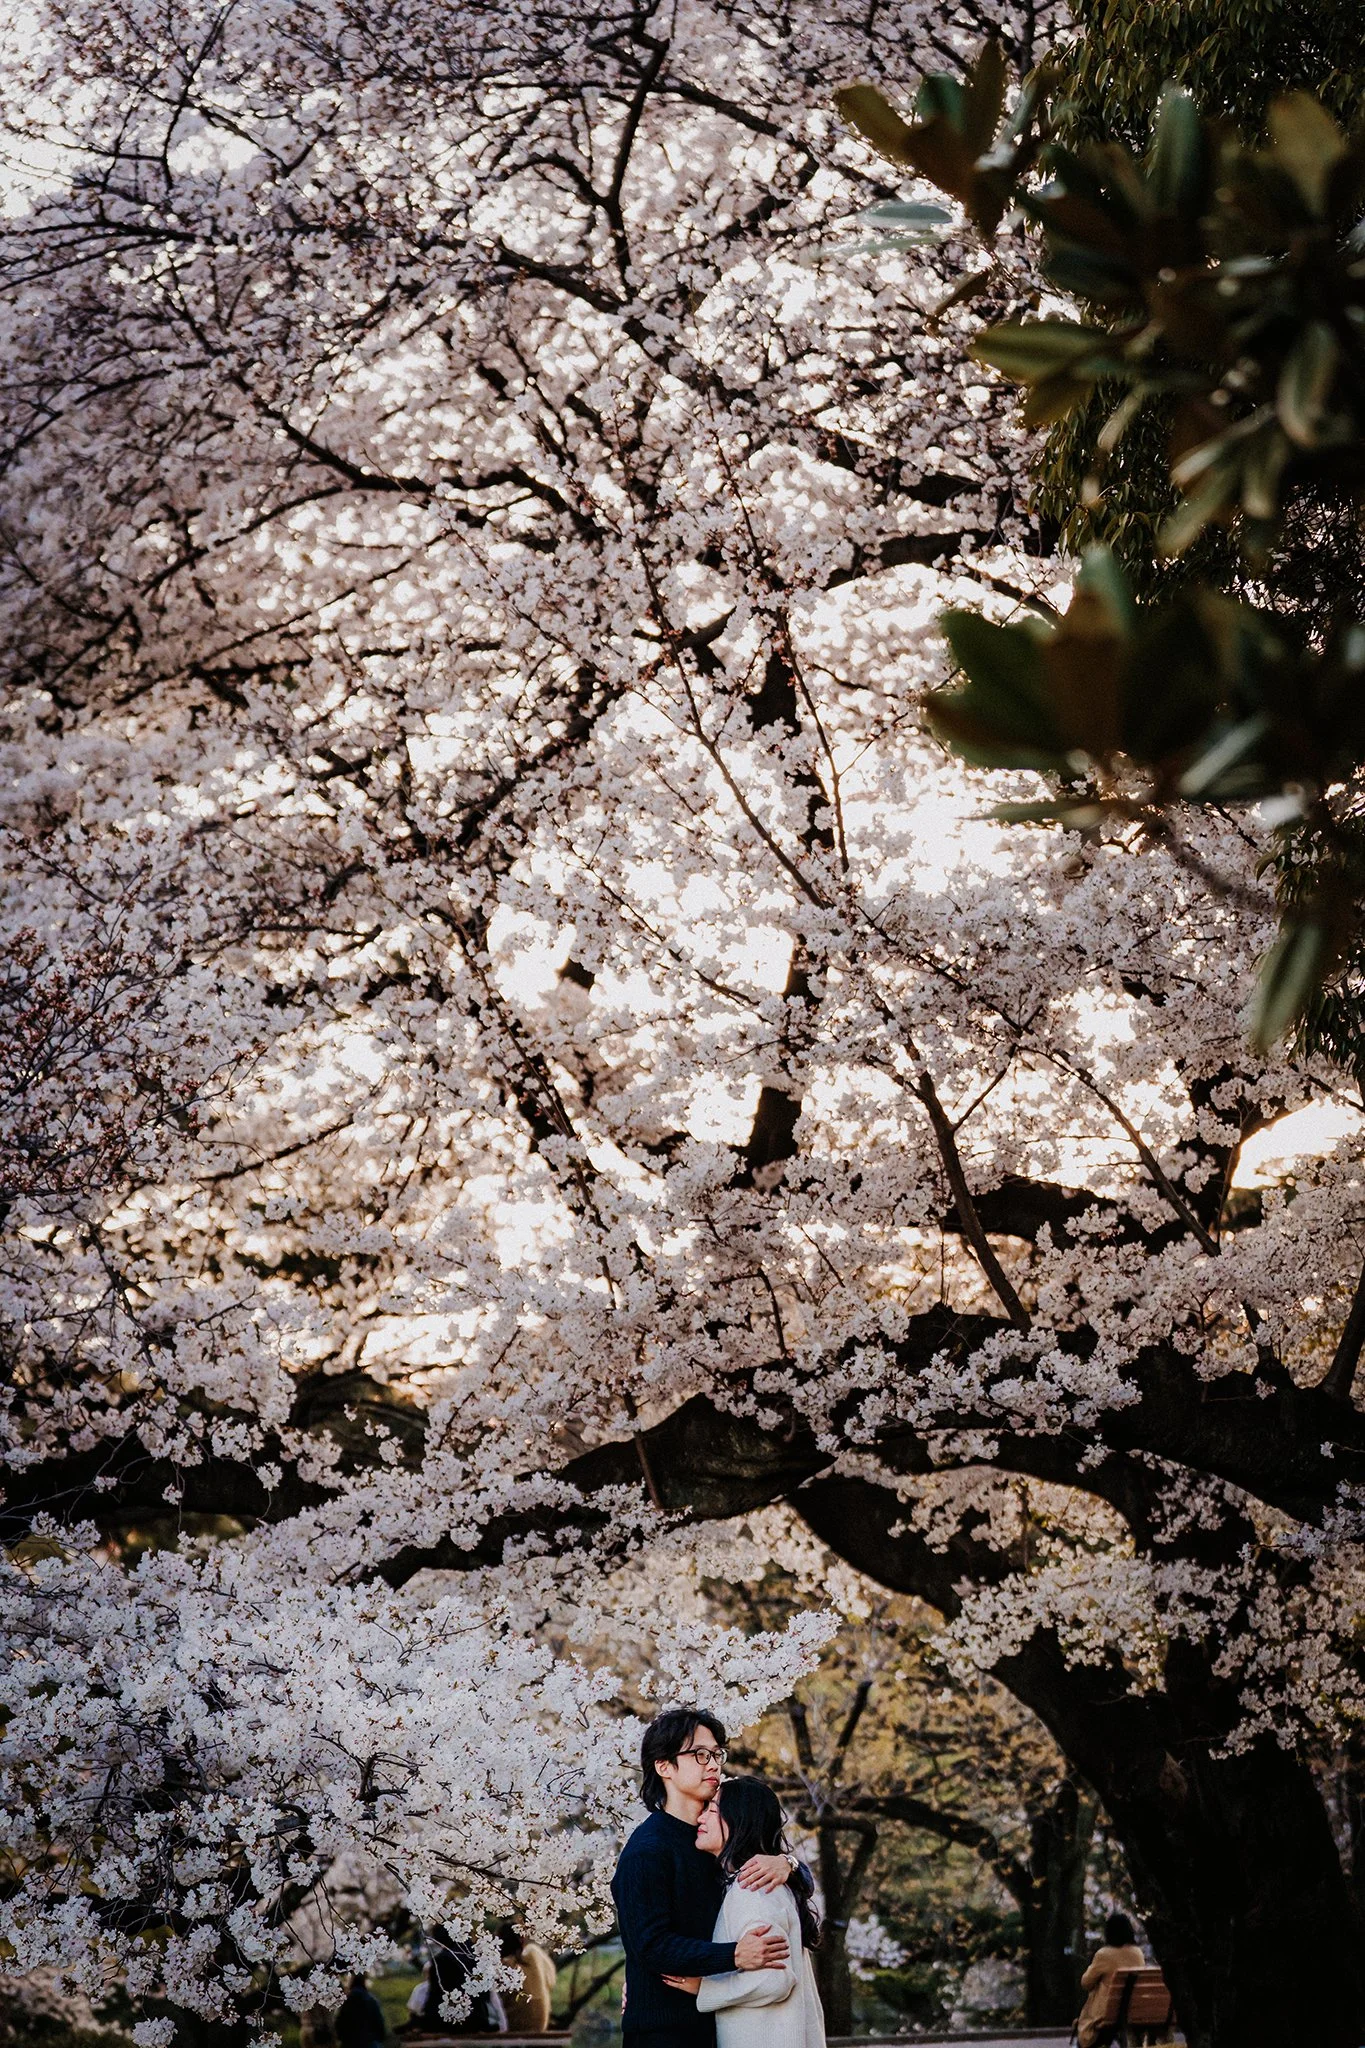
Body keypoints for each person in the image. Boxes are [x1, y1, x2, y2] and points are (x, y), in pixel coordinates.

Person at [611, 1707, 798, 2048]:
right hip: (667, 2032)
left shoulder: (719, 1837)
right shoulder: (648, 1850)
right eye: (699, 1754)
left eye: (716, 1754)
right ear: (664, 1766)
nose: (713, 1764)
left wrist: (790, 1863)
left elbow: (773, 1869)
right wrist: (734, 1956)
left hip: (724, 2023)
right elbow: (651, 1944)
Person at [661, 1777, 825, 2048]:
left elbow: (774, 1980)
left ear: (738, 1821)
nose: (701, 1818)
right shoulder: (756, 1883)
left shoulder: (752, 1889)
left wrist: (706, 1988)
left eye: (712, 1810)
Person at [1076, 1913, 1147, 2048]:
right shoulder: (1137, 1953)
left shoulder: (1104, 1954)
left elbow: (1086, 1983)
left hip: (1107, 2014)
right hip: (1132, 2010)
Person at [498, 1925, 556, 2033]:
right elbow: (552, 1980)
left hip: (514, 2026)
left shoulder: (504, 1966)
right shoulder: (536, 1954)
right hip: (541, 2025)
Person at [336, 1975, 388, 2048]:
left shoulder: (347, 2001)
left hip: (350, 2042)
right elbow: (379, 2022)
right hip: (369, 2041)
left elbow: (340, 2022)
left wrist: (341, 2038)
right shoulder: (371, 2000)